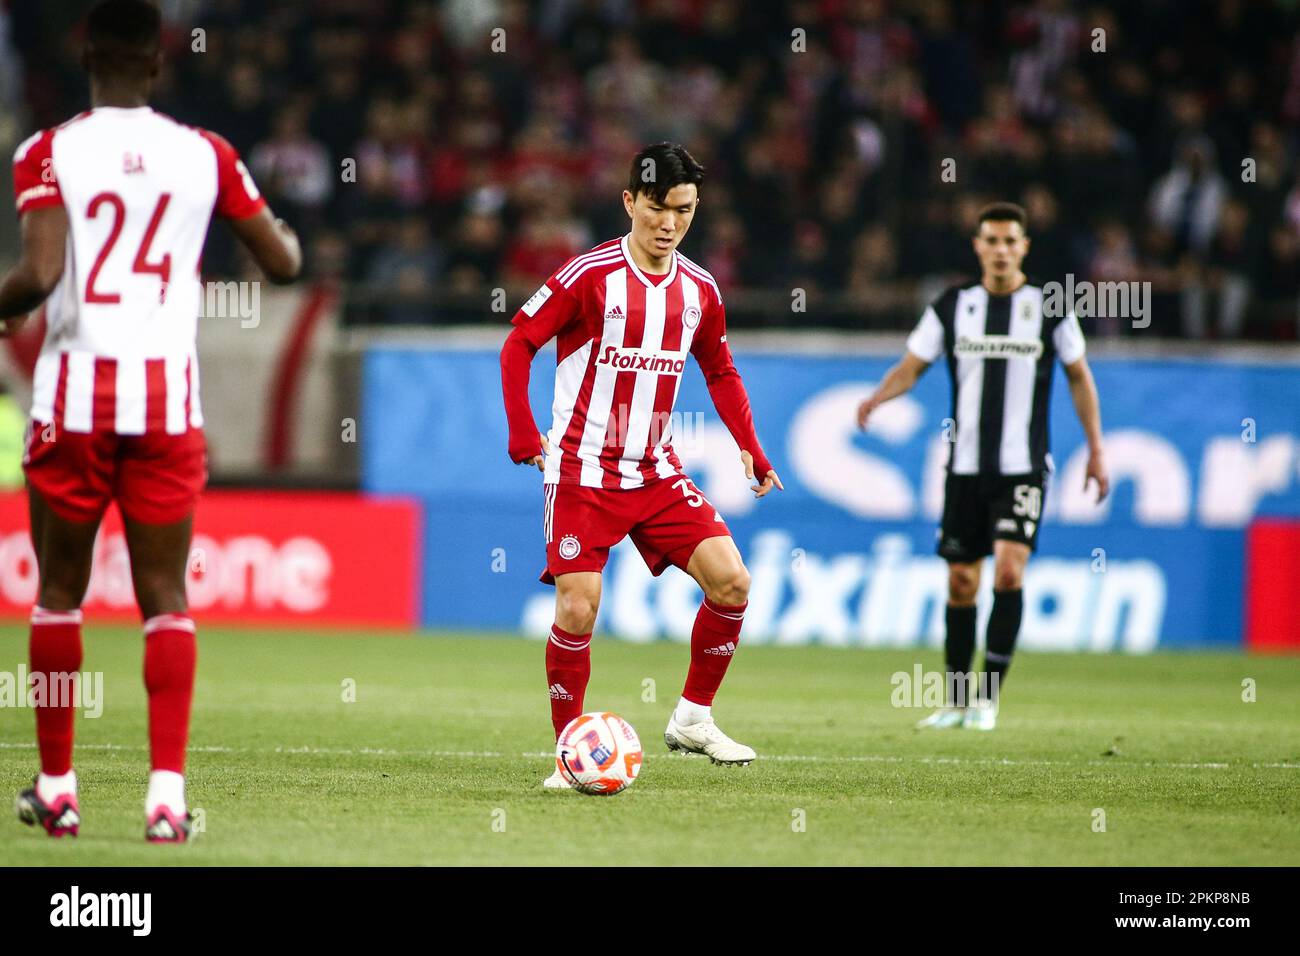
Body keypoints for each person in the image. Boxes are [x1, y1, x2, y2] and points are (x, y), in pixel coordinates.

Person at [0, 0, 301, 841]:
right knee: (166, 599)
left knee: (58, 595)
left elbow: (39, 271)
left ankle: (57, 788)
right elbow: (280, 263)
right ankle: (166, 801)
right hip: (167, 404)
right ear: (160, 63)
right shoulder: (206, 155)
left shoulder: (47, 151)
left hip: (72, 402)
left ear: (86, 54)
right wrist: (277, 236)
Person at [499, 142, 782, 787]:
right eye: (656, 208)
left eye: (683, 211)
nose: (669, 224)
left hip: (654, 470)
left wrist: (751, 447)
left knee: (732, 582)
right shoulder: (588, 277)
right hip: (580, 472)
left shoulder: (701, 291)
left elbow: (720, 368)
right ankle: (571, 755)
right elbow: (519, 343)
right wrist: (523, 430)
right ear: (630, 202)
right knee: (578, 607)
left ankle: (692, 718)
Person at [857, 201, 1108, 730]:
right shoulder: (952, 306)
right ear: (977, 246)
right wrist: (877, 398)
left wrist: (1097, 450)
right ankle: (953, 700)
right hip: (965, 469)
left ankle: (987, 699)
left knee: (1010, 570)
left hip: (1023, 469)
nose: (1000, 250)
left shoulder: (1049, 306)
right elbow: (913, 365)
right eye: (990, 241)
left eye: (1009, 241)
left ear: (1024, 247)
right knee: (961, 584)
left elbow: (1080, 376)